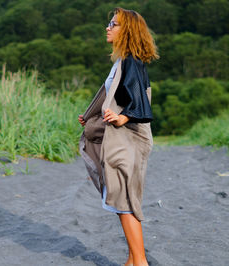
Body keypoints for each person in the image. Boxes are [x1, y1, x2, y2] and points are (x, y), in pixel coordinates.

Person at [78, 7, 158, 266]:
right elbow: (118, 97)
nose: (107, 28)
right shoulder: (124, 62)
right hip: (126, 139)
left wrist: (124, 117)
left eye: (113, 24)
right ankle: (132, 259)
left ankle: (141, 262)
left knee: (125, 201)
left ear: (128, 31)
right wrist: (92, 118)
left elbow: (140, 105)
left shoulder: (130, 61)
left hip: (130, 139)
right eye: (109, 23)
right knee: (120, 199)